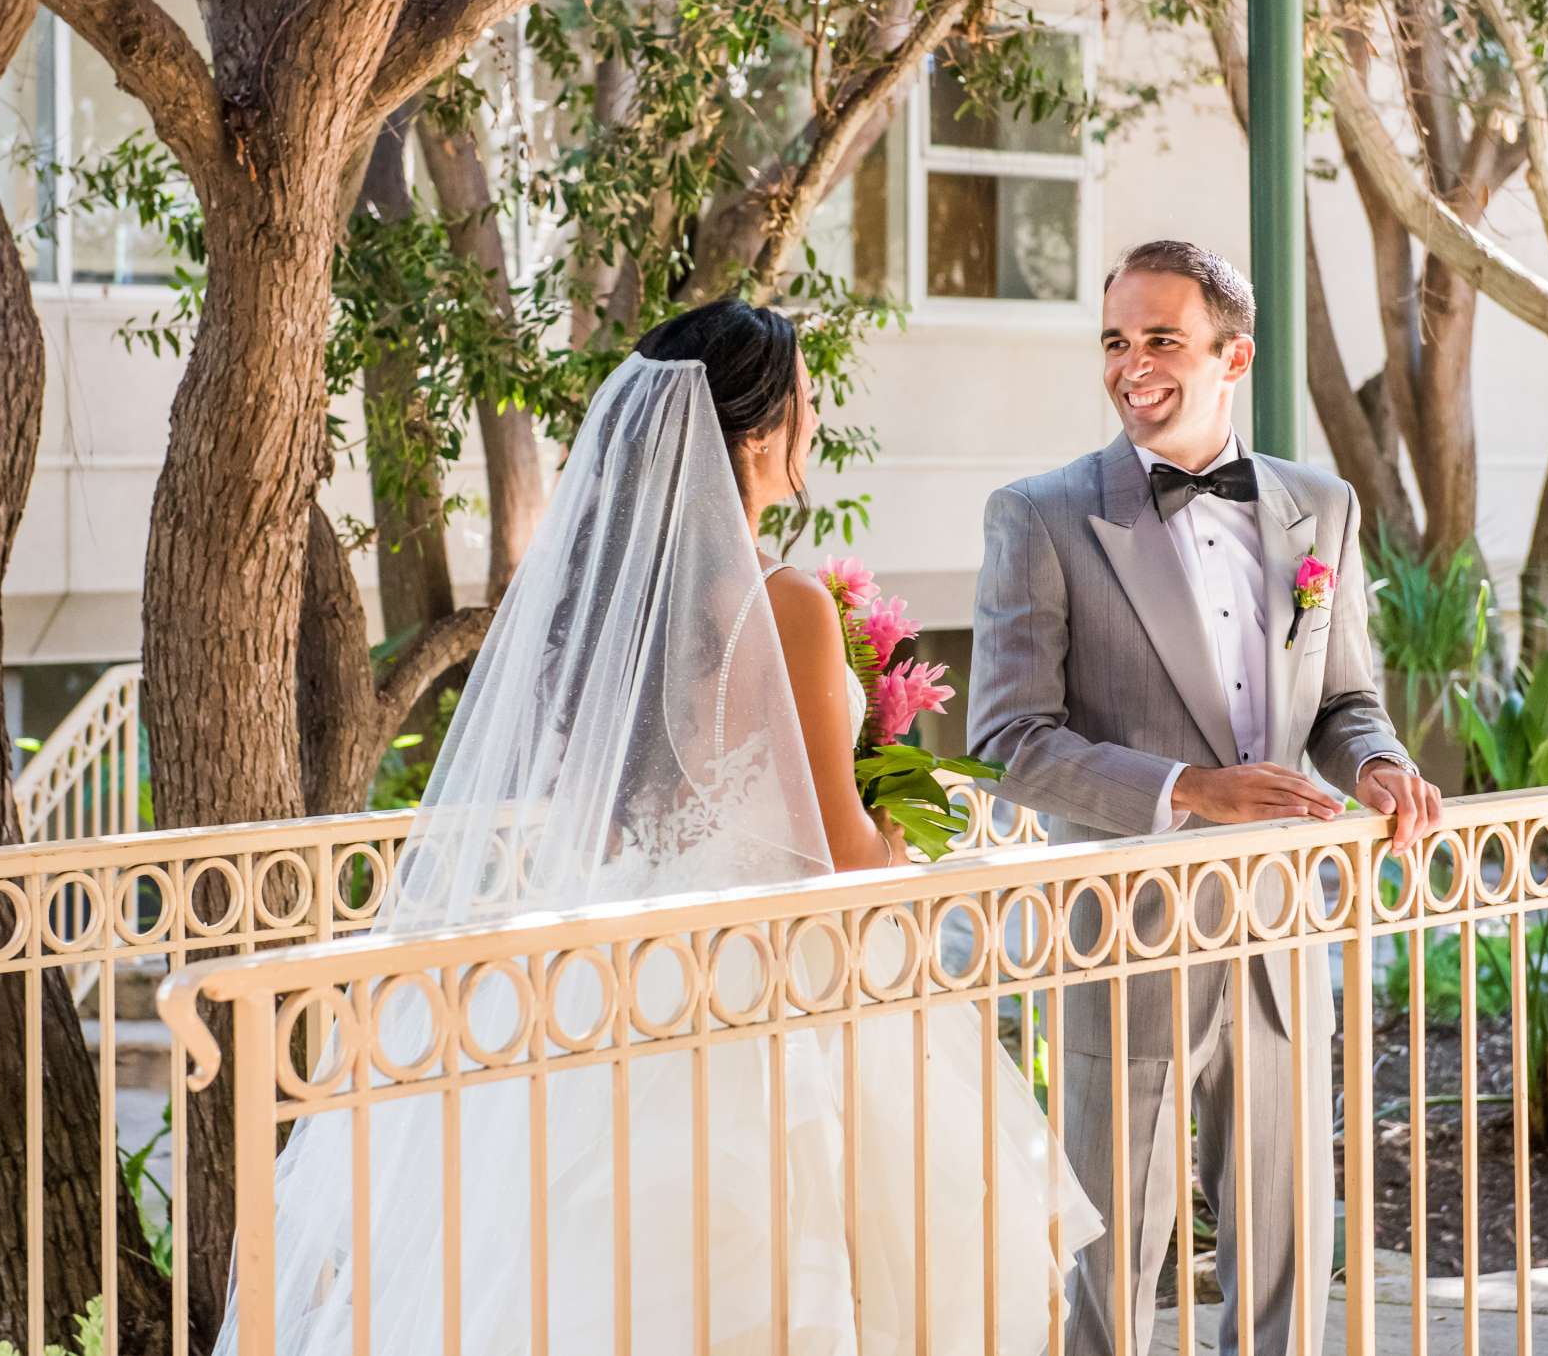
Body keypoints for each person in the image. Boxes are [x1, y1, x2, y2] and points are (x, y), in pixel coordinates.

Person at [224, 298, 1098, 1356]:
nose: (811, 422)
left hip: (625, 968)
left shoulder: (611, 620)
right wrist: (897, 830)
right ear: (758, 435)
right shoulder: (788, 605)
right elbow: (839, 861)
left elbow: (616, 822)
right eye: (803, 402)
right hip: (775, 983)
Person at [968, 239, 1443, 1356]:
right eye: (1117, 341)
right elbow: (1009, 741)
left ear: (1235, 356)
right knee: (1112, 1265)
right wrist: (1193, 792)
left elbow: (1348, 698)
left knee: (1286, 1254)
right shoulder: (1038, 516)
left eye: (1161, 340)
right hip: (1124, 936)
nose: (1132, 365)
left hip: (1280, 934)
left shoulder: (1320, 508)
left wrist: (1377, 761)